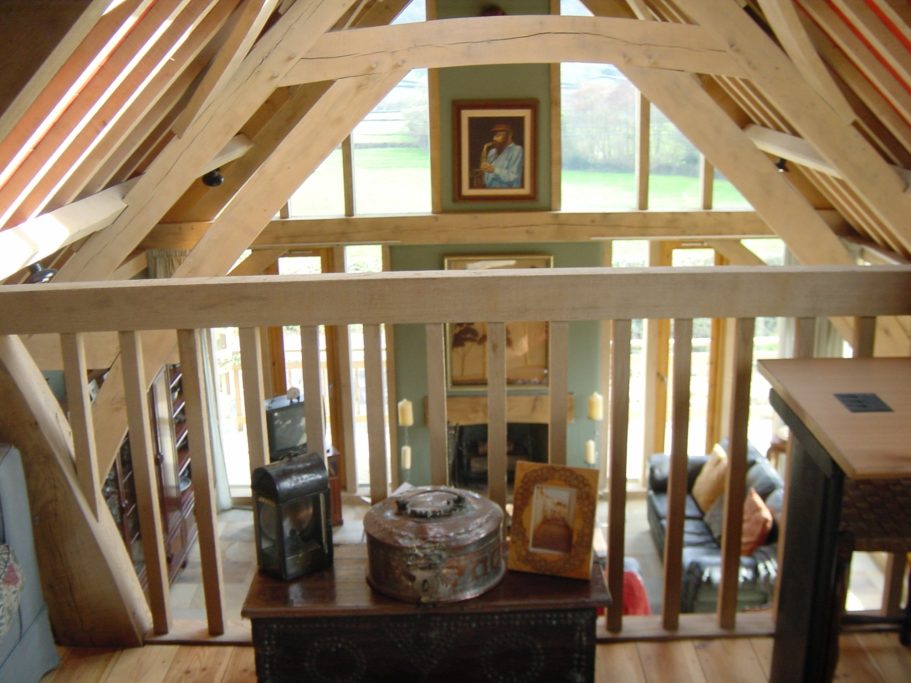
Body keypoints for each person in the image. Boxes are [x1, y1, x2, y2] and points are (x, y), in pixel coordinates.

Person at [479, 122, 523, 188]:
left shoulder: (517, 150)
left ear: (509, 135)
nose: (494, 138)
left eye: (498, 135)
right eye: (494, 135)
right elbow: (487, 174)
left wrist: (494, 170)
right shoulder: (492, 152)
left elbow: (513, 177)